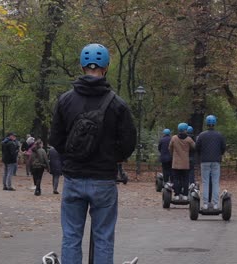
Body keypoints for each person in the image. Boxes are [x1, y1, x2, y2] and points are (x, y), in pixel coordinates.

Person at [49, 43, 136, 264]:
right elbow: (128, 143)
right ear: (106, 67)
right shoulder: (118, 104)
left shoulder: (65, 101)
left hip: (74, 178)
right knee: (103, 237)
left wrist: (72, 156)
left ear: (81, 66)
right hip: (104, 181)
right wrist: (111, 157)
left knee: (71, 236)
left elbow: (55, 140)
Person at [196, 115, 226, 210]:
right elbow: (223, 148)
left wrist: (201, 154)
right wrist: (219, 154)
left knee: (205, 182)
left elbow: (197, 147)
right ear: (214, 124)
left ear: (206, 123)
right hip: (216, 161)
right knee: (215, 182)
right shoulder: (219, 135)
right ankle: (216, 204)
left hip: (205, 160)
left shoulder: (201, 135)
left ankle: (205, 204)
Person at [168, 122, 195, 201]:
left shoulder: (174, 138)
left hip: (176, 163)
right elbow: (194, 147)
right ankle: (185, 195)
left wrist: (173, 154)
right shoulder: (188, 139)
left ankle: (177, 194)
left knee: (176, 179)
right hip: (185, 163)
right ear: (185, 130)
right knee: (185, 179)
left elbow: (170, 148)